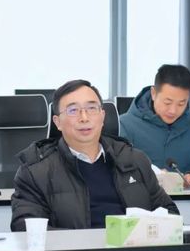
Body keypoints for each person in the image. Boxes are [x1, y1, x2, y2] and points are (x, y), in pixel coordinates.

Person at [10, 79, 179, 231]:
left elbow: (170, 213)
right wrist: (85, 243)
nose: (84, 118)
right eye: (73, 110)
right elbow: (25, 227)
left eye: (91, 108)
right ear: (57, 122)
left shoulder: (134, 160)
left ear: (102, 116)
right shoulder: (35, 171)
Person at [119, 64, 190, 187]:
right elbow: (117, 171)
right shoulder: (125, 125)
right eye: (167, 102)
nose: (173, 111)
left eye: (181, 104)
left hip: (187, 198)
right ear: (154, 93)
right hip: (142, 197)